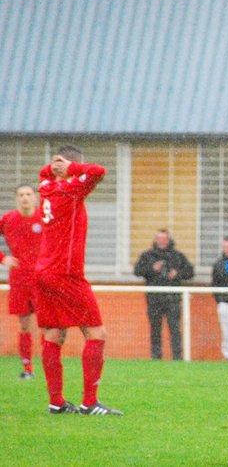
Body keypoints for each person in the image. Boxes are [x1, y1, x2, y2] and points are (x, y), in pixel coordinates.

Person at [34, 145, 121, 415]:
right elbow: (98, 171)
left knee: (54, 334)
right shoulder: (70, 190)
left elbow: (43, 173)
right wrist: (71, 168)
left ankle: (56, 402)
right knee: (96, 333)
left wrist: (54, 168)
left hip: (43, 270)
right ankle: (90, 403)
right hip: (65, 273)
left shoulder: (47, 187)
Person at [0, 185, 43, 379]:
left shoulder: (44, 217)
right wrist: (3, 258)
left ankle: (49, 366)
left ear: (35, 198)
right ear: (16, 199)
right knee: (24, 323)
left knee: (47, 324)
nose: (25, 198)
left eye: (28, 194)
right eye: (21, 195)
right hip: (19, 279)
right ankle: (28, 369)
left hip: (42, 278)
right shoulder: (8, 219)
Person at [134, 229, 194, 361]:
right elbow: (137, 271)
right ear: (155, 240)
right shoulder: (147, 256)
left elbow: (190, 272)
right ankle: (156, 357)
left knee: (175, 329)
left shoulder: (177, 256)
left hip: (172, 298)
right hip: (154, 299)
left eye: (164, 239)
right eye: (159, 239)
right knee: (155, 329)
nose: (162, 242)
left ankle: (177, 357)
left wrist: (177, 274)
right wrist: (152, 269)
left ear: (169, 240)